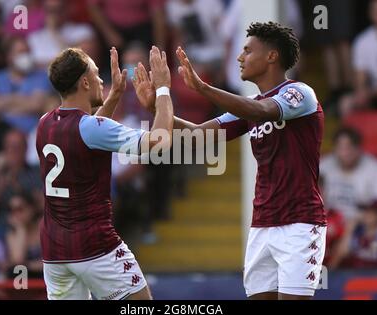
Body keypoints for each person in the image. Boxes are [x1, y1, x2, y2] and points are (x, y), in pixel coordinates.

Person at [133, 22, 326, 300]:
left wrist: (203, 87)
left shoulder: (299, 94)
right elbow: (198, 135)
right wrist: (157, 106)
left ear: (272, 56)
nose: (239, 57)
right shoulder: (249, 105)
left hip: (300, 225)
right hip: (262, 226)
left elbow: (261, 111)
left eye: (247, 50)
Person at [36, 46, 173, 300]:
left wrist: (114, 97)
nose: (103, 81)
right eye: (98, 74)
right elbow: (161, 140)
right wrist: (163, 88)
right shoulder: (92, 127)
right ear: (85, 82)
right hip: (94, 246)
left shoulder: (45, 123)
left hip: (55, 253)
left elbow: (87, 135)